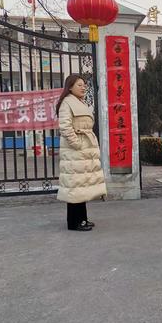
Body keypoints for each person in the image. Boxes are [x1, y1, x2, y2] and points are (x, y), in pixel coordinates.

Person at [56, 74, 107, 231]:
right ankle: (74, 223)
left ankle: (82, 219)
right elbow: (65, 127)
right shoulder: (67, 103)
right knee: (74, 187)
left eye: (84, 85)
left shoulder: (79, 102)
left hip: (82, 151)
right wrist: (77, 144)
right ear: (70, 87)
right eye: (80, 85)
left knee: (80, 186)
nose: (83, 87)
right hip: (74, 152)